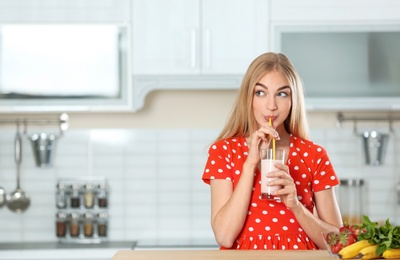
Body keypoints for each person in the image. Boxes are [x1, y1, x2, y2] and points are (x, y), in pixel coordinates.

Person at [202, 52, 342, 250]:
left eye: (282, 94)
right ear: (248, 97)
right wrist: (250, 164)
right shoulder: (224, 152)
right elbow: (224, 236)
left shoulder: (314, 155)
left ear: (293, 100)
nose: (271, 106)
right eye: (261, 93)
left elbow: (339, 242)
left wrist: (296, 206)